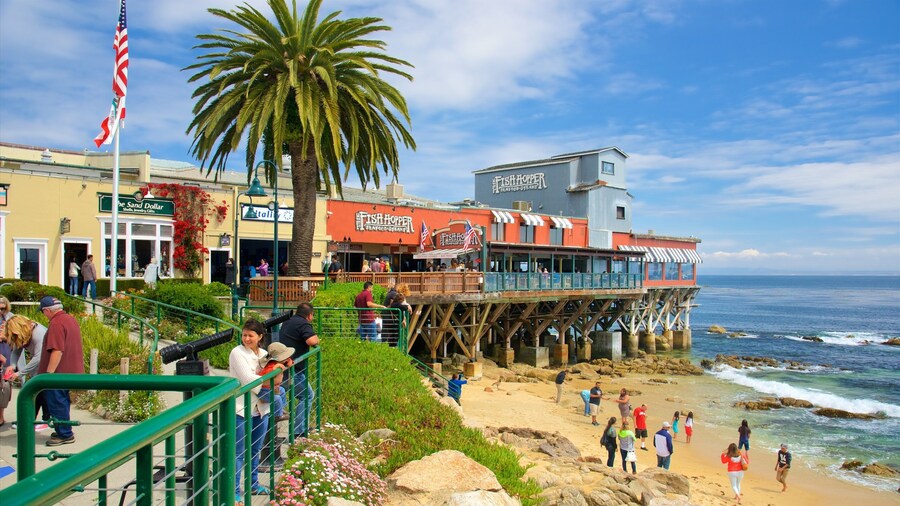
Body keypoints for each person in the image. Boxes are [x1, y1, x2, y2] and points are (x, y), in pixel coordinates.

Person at [230, 319, 271, 499]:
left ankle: (253, 484)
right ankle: (233, 492)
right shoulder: (237, 353)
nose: (246, 339)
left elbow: (273, 377)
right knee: (238, 452)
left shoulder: (264, 353)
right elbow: (249, 382)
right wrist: (270, 376)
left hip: (261, 409)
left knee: (255, 449)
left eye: (250, 335)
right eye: (244, 335)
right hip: (241, 408)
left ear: (260, 337)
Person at [38, 296, 84, 446]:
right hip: (70, 371)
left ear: (46, 310)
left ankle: (64, 434)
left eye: (43, 312)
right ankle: (62, 429)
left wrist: (49, 374)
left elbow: (57, 350)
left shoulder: (56, 323)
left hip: (59, 373)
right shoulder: (69, 319)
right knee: (62, 401)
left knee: (57, 402)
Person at [277, 302, 320, 437]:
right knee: (307, 395)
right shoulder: (303, 324)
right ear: (309, 315)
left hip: (284, 367)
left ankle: (299, 428)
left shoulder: (288, 321)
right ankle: (298, 431)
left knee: (300, 394)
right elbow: (312, 341)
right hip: (293, 369)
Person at [3, 315, 47, 384]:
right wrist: (13, 366)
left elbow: (38, 358)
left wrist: (19, 373)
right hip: (37, 371)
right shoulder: (24, 334)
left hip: (49, 371)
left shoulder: (38, 333)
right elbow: (16, 351)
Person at [257, 342, 294, 418]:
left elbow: (287, 364)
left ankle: (281, 409)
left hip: (271, 388)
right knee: (276, 398)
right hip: (263, 391)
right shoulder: (271, 366)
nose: (286, 359)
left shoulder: (279, 362)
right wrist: (275, 368)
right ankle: (277, 416)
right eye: (285, 357)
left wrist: (288, 362)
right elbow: (270, 375)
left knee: (282, 390)